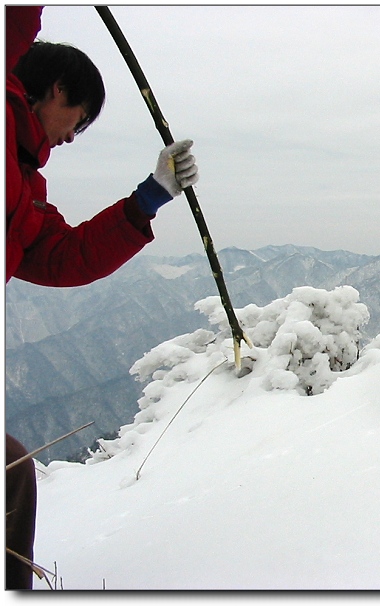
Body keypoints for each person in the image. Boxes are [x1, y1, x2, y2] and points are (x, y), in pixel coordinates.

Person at [6, 6, 199, 589]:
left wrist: (151, 196)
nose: (71, 136)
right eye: (79, 119)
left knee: (12, 475)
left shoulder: (23, 184)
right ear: (56, 88)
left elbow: (64, 257)